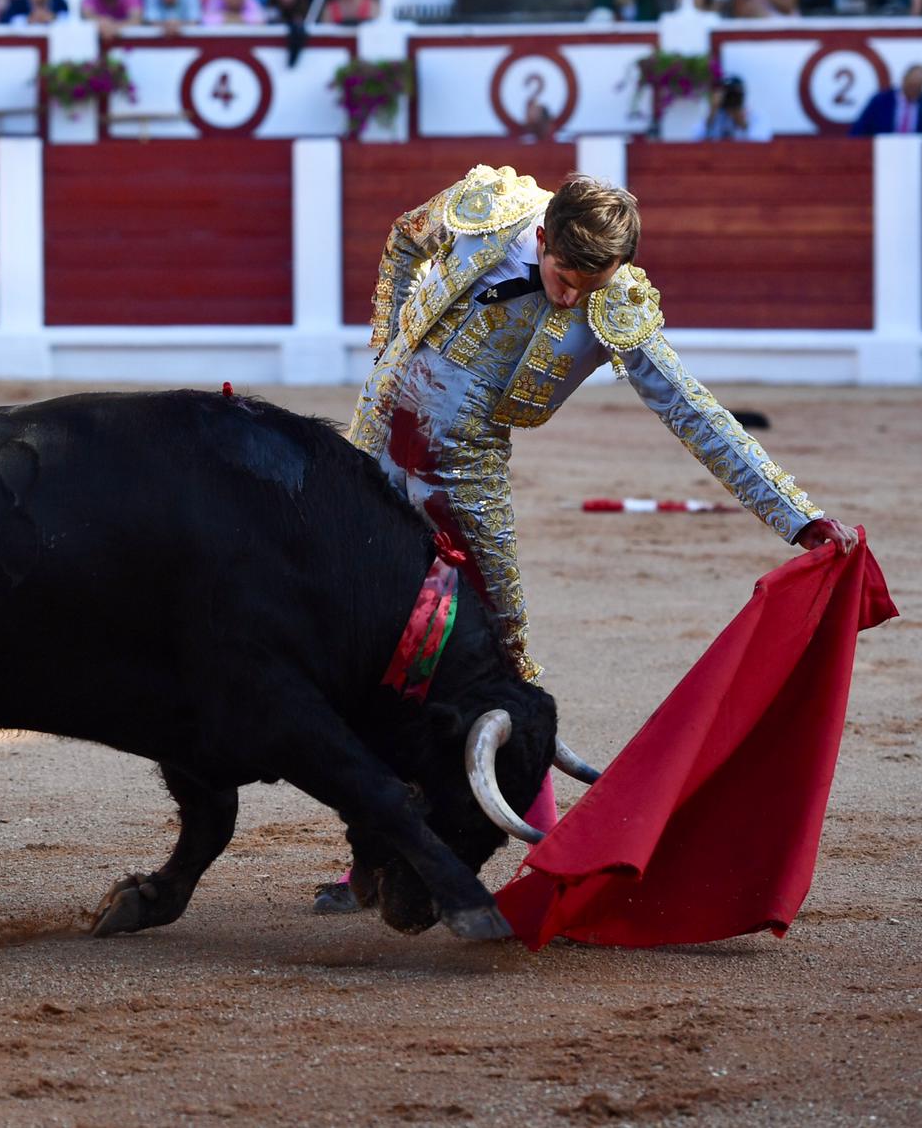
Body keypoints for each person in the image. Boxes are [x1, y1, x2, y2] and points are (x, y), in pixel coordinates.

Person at [311, 168, 855, 915]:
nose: (570, 300)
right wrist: (385, 346)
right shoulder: (485, 211)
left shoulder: (615, 304)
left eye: (589, 286)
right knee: (355, 650)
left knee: (502, 666)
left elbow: (694, 412)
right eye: (563, 277)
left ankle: (548, 868)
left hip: (463, 480)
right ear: (542, 237)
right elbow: (405, 240)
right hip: (370, 452)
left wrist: (798, 516)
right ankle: (368, 861)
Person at [850, 64, 922, 135]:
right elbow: (859, 129)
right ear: (904, 79)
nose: (914, 90)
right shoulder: (881, 100)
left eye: (919, 86)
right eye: (912, 85)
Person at [703, 73, 774, 139]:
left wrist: (742, 122)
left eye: (734, 96)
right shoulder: (717, 117)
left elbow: (760, 142)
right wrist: (712, 112)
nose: (731, 99)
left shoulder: (756, 117)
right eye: (728, 96)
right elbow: (698, 140)